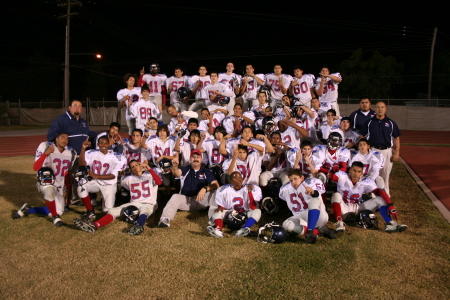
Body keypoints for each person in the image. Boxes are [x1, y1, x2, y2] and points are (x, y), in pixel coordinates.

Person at [73, 160, 163, 235]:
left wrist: (150, 169)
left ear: (141, 165)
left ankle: (138, 226)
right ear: (130, 170)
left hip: (149, 203)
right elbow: (124, 184)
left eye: (137, 164)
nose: (135, 167)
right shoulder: (127, 179)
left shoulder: (150, 174)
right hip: (134, 202)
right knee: (112, 210)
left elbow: (159, 183)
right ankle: (94, 225)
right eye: (132, 166)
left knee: (145, 211)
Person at [13, 133, 77, 227]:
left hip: (59, 185)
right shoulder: (47, 147)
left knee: (59, 211)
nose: (64, 141)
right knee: (49, 191)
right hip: (46, 182)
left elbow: (66, 172)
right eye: (62, 138)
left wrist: (67, 187)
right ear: (56, 139)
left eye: (67, 139)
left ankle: (27, 209)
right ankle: (55, 217)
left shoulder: (70, 152)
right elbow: (35, 167)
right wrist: (46, 153)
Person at [329, 161, 407, 233]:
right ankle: (339, 223)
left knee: (380, 199)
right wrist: (333, 171)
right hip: (344, 208)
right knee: (336, 195)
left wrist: (391, 206)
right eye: (354, 170)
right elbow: (333, 177)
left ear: (362, 173)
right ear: (350, 170)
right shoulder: (343, 176)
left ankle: (390, 223)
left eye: (359, 171)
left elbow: (380, 192)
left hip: (358, 209)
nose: (356, 174)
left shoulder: (365, 181)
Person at [47, 100, 98, 205]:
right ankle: (63, 202)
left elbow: (88, 134)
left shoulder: (83, 121)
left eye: (79, 106)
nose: (77, 108)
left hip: (81, 156)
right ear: (69, 107)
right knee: (66, 180)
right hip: (68, 156)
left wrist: (103, 136)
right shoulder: (61, 120)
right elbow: (51, 136)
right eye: (75, 106)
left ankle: (74, 199)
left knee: (78, 179)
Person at [157, 150, 219, 228]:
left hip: (201, 200)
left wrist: (205, 188)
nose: (196, 159)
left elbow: (216, 185)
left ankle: (214, 219)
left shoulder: (205, 171)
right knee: (175, 196)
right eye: (193, 157)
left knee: (215, 193)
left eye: (198, 157)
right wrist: (175, 167)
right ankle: (165, 219)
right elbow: (176, 173)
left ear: (201, 159)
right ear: (190, 159)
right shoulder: (186, 169)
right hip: (186, 200)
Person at [76, 136, 127, 221]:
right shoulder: (91, 153)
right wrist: (83, 149)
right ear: (98, 144)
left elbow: (113, 176)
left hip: (109, 184)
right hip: (95, 182)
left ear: (109, 144)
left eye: (105, 143)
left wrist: (96, 175)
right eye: (101, 143)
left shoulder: (117, 157)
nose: (103, 145)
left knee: (106, 210)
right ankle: (90, 211)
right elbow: (82, 164)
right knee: (81, 186)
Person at [279, 169, 335, 243]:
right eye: (291, 180)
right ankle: (317, 232)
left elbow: (317, 194)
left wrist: (312, 192)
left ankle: (310, 230)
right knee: (286, 225)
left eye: (295, 179)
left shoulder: (311, 183)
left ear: (302, 178)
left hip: (318, 215)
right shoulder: (285, 189)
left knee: (315, 200)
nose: (293, 182)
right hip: (301, 217)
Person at [359, 101, 400, 196]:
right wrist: (366, 148)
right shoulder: (369, 122)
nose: (380, 109)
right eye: (378, 107)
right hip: (373, 151)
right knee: (373, 173)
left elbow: (396, 138)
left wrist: (396, 153)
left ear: (385, 109)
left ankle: (386, 196)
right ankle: (373, 195)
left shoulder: (391, 123)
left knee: (385, 174)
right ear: (375, 109)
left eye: (382, 107)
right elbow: (362, 136)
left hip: (386, 151)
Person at [207, 171, 262, 238]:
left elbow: (253, 207)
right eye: (235, 178)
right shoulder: (224, 190)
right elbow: (221, 205)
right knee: (217, 212)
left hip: (244, 214)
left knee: (257, 211)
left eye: (240, 177)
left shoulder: (249, 188)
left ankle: (244, 229)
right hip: (229, 213)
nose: (239, 179)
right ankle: (218, 230)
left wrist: (250, 193)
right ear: (230, 181)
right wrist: (220, 207)